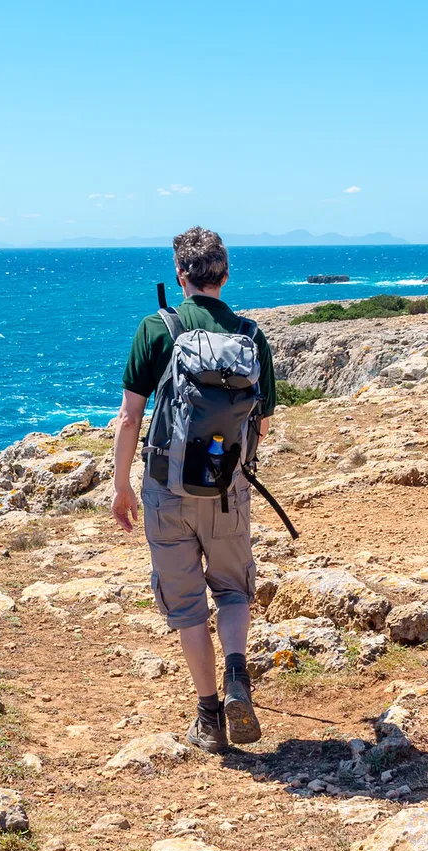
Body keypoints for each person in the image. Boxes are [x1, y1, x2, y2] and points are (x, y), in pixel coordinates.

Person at [110, 228, 277, 753]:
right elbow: (262, 425)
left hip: (167, 488)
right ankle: (235, 673)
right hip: (226, 487)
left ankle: (209, 715)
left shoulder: (155, 328)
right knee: (232, 589)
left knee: (185, 607)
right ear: (225, 275)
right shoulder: (250, 335)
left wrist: (121, 488)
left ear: (181, 276)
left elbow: (129, 417)